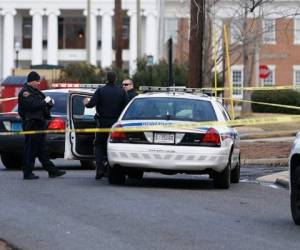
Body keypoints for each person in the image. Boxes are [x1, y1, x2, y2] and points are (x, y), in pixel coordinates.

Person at [18, 71, 66, 180]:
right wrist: (44, 102)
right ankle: (27, 173)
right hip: (32, 124)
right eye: (37, 81)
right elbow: (32, 105)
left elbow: (41, 107)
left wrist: (49, 104)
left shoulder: (36, 92)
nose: (38, 83)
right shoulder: (25, 92)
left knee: (42, 149)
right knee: (31, 149)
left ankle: (52, 171)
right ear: (31, 81)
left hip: (39, 123)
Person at [84, 71, 129, 180]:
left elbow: (91, 105)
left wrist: (85, 102)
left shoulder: (100, 90)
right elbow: (127, 107)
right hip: (115, 124)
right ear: (116, 78)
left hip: (102, 123)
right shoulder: (121, 92)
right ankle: (109, 170)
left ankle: (99, 169)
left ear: (107, 79)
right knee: (112, 146)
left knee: (99, 145)